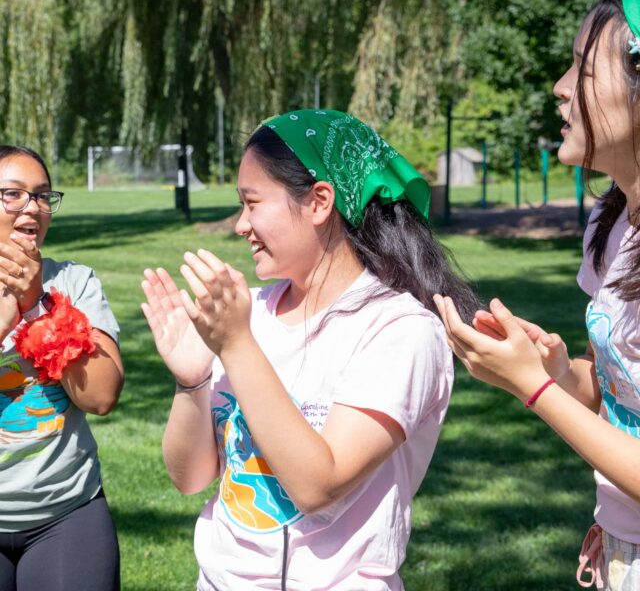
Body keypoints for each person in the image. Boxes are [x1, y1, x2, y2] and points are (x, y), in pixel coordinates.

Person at [141, 109, 480, 590]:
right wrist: (191, 380)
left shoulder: (400, 330)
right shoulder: (251, 312)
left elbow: (318, 484)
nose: (241, 225)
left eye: (252, 203)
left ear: (320, 201)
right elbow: (191, 478)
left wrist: (236, 345)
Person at [434, 0, 640, 591]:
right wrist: (555, 369)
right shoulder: (613, 225)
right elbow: (616, 397)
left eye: (582, 68)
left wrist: (530, 388)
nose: (559, 87)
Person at [0, 146, 124, 591]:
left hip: (67, 513)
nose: (32, 207)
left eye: (42, 196)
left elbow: (101, 395)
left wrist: (37, 306)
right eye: (12, 194)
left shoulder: (74, 282)